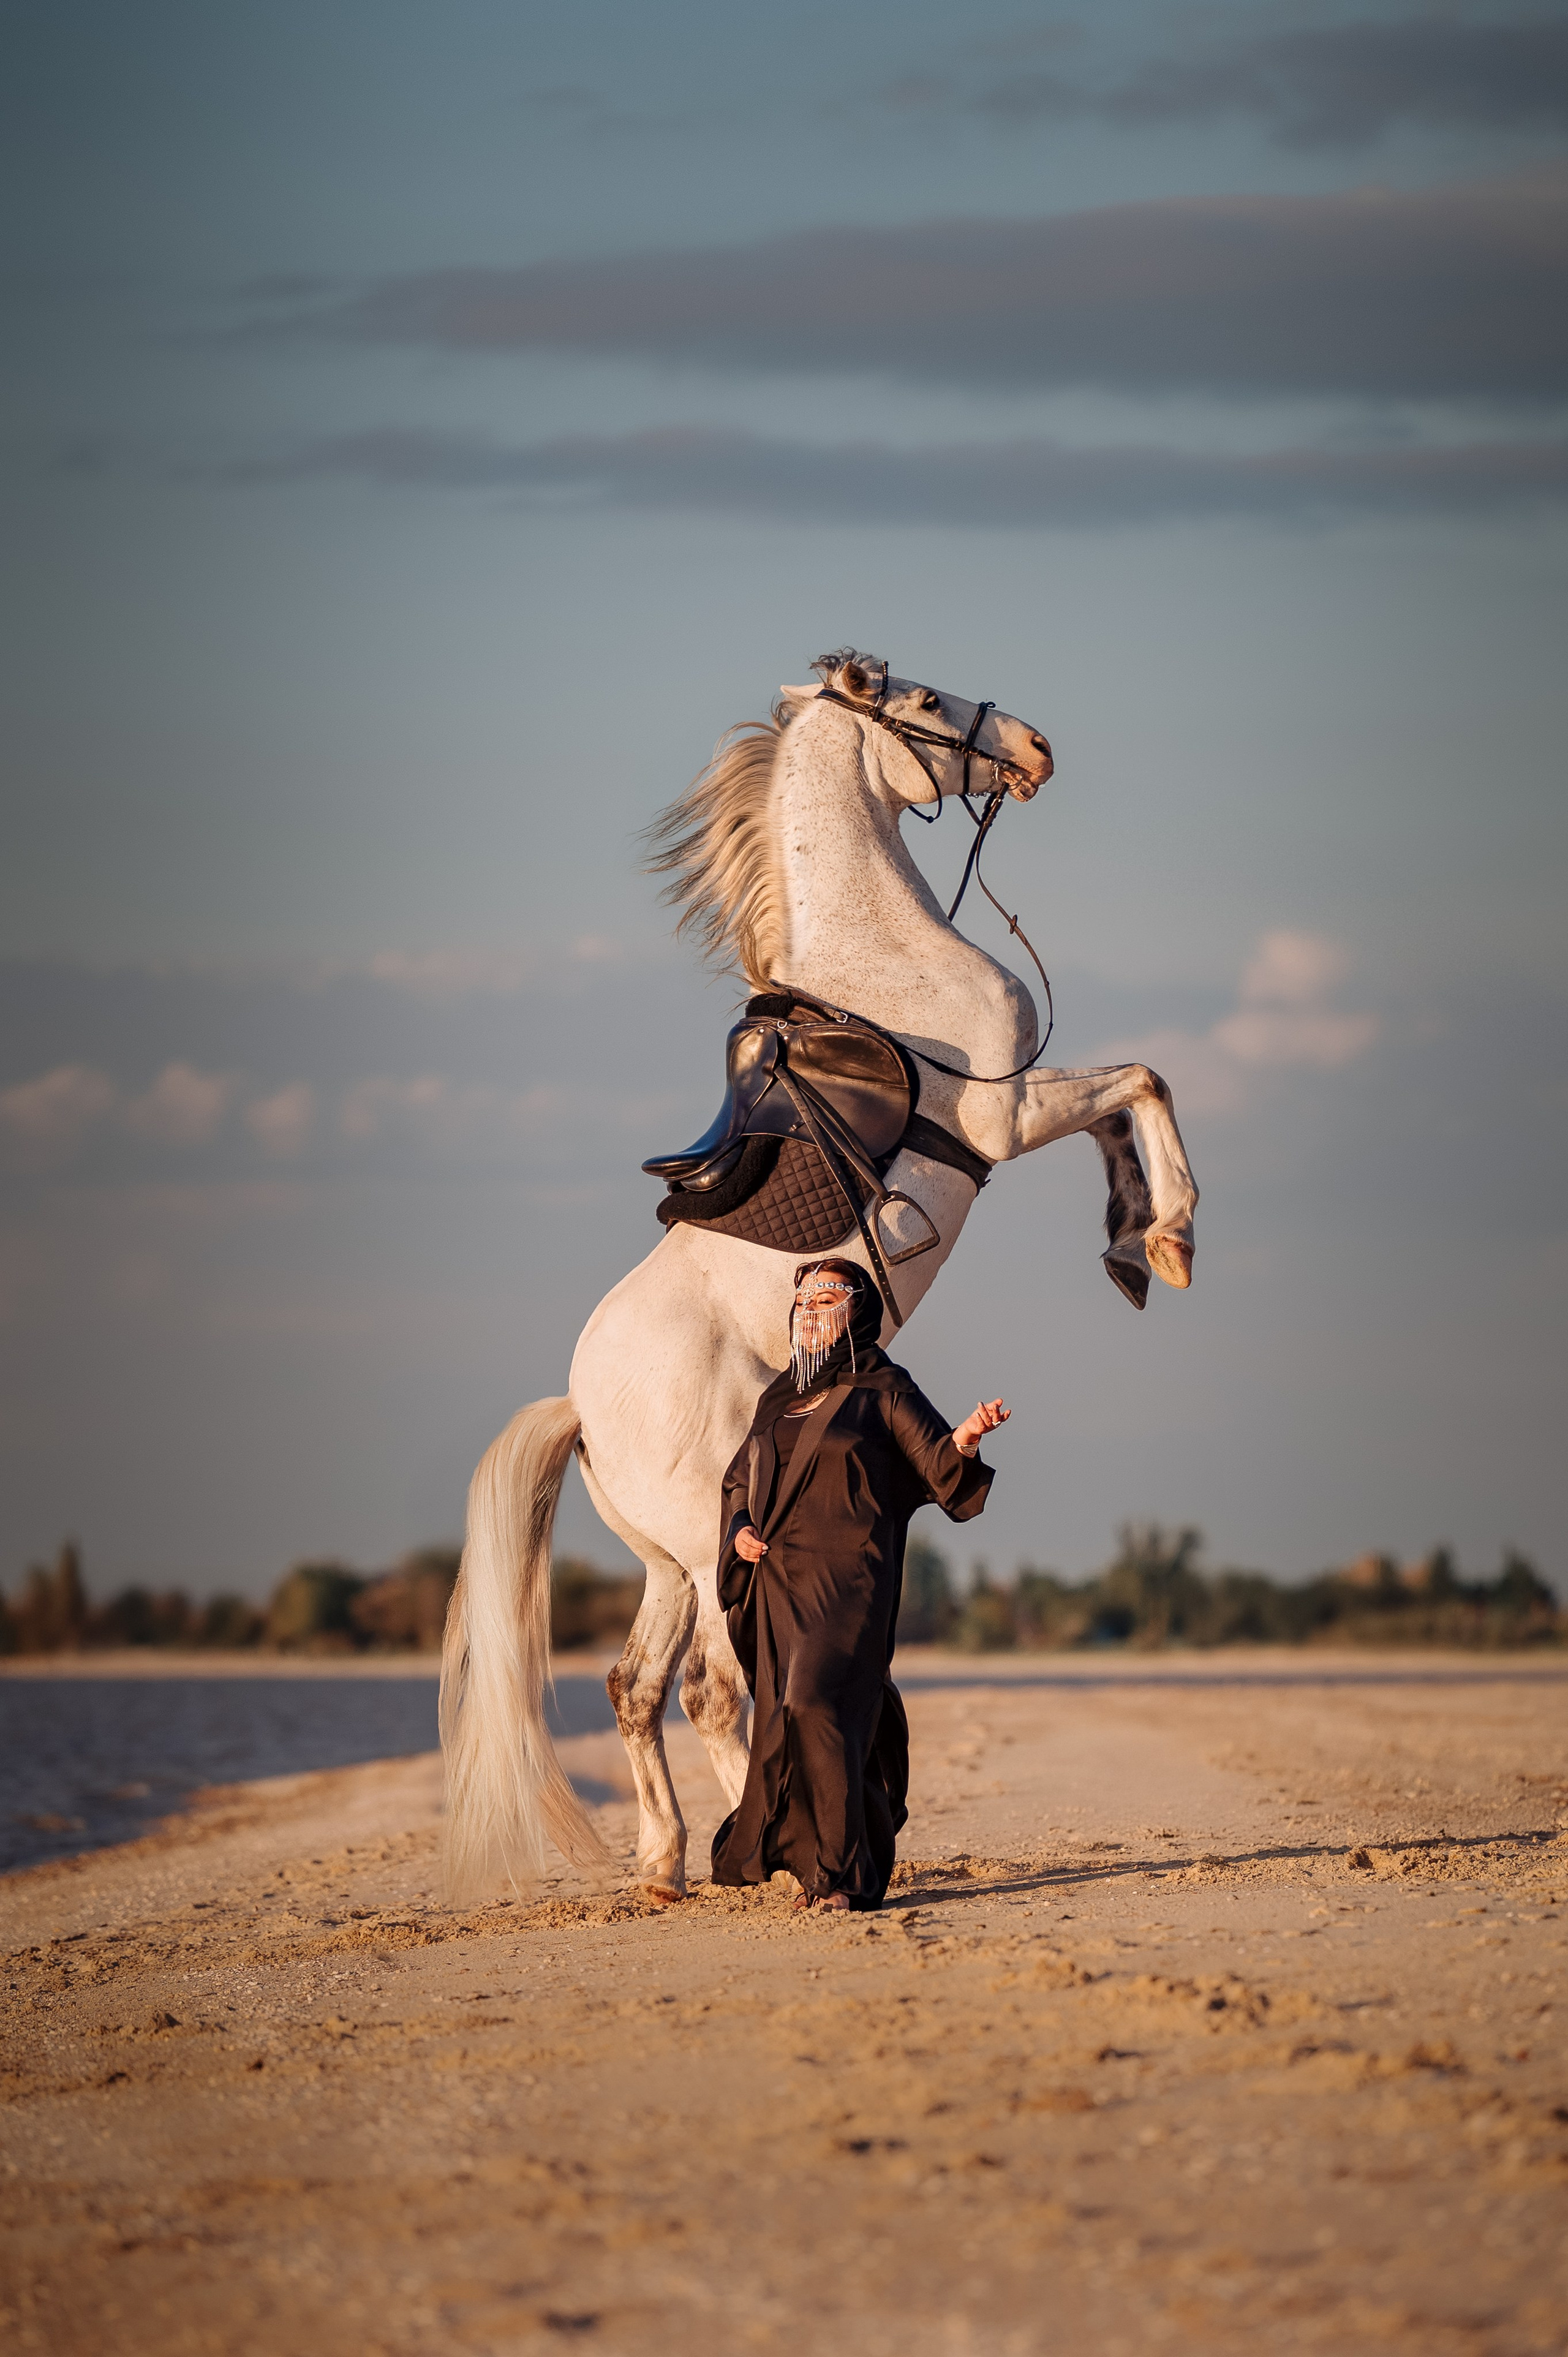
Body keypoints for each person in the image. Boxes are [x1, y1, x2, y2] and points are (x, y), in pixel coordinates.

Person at [710, 1257, 1008, 1912]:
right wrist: (739, 1528)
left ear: (858, 1312)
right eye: (804, 1303)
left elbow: (935, 1461)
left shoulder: (884, 1386)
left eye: (827, 1301)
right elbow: (738, 1479)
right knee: (788, 1718)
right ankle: (818, 1870)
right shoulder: (777, 1397)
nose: (811, 1312)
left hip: (852, 1579)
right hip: (779, 1581)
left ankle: (845, 1874)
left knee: (816, 1702)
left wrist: (965, 1437)